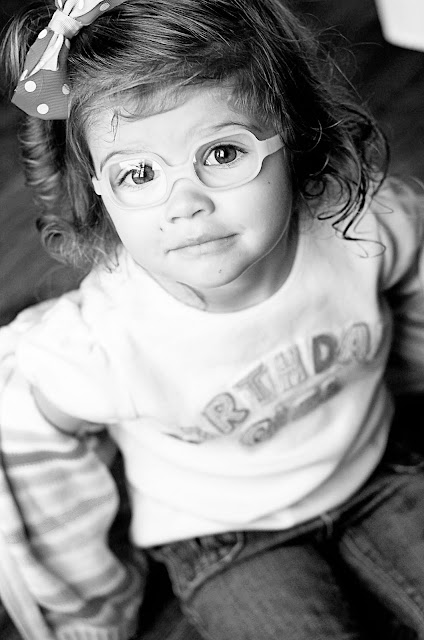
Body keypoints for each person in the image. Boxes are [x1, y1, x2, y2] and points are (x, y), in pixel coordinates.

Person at [1, 0, 424, 638]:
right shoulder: (101, 342)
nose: (186, 204)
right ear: (97, 193)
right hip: (225, 537)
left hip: (377, 466)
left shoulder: (365, 232)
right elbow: (30, 434)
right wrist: (91, 603)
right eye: (138, 173)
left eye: (223, 153)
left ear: (296, 134)